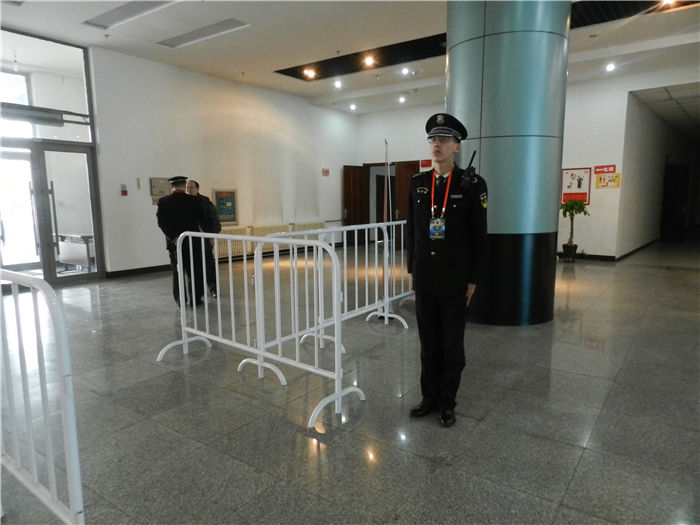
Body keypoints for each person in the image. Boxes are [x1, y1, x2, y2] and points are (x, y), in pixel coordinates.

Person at [406, 113, 488, 428]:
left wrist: (473, 278)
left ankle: (446, 402)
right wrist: (413, 272)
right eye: (433, 139)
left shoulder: (472, 185)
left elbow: (479, 237)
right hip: (425, 278)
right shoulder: (418, 183)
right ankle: (428, 397)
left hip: (455, 279)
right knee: (428, 343)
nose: (436, 144)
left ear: (457, 146)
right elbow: (412, 231)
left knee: (451, 344)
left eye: (443, 139)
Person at [157, 176, 206, 307]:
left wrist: (174, 237)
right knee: (194, 272)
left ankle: (180, 300)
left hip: (174, 244)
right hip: (192, 242)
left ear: (171, 186)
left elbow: (162, 223)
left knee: (177, 272)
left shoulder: (163, 202)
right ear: (184, 186)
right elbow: (202, 219)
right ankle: (196, 299)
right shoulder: (194, 201)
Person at [186, 179, 221, 296]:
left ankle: (213, 288)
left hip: (204, 240)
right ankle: (197, 293)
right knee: (194, 268)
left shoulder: (205, 202)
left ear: (197, 188)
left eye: (191, 187)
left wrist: (212, 236)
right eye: (187, 187)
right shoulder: (184, 202)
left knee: (208, 266)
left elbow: (215, 220)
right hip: (190, 241)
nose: (189, 190)